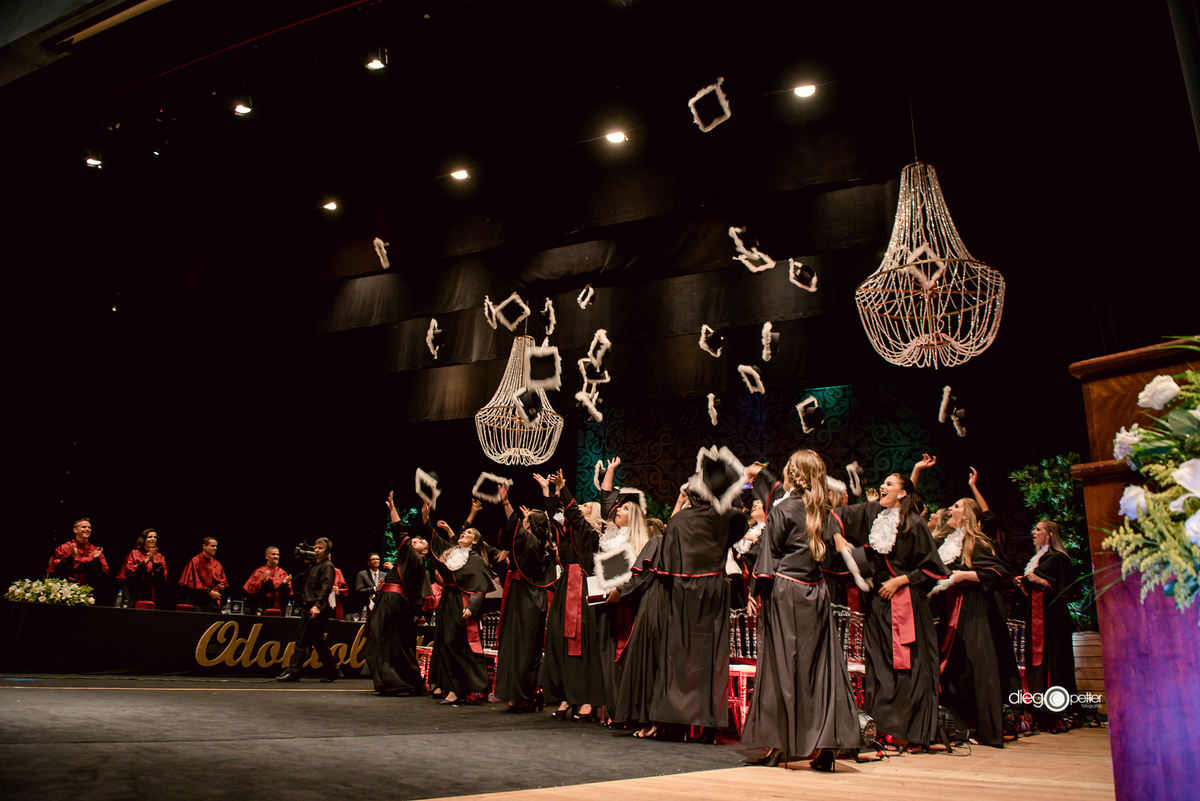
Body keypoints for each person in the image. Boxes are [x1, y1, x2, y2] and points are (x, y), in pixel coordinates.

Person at [741, 449, 861, 770]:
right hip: (817, 593)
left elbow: (767, 559)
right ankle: (824, 746)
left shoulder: (783, 510)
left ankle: (780, 745)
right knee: (822, 668)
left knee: (781, 667)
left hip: (784, 592)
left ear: (792, 475)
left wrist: (756, 591)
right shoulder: (826, 512)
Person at [833, 471, 949, 749]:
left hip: (906, 605)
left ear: (903, 493)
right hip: (878, 605)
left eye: (890, 483)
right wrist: (837, 537)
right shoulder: (876, 520)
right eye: (883, 482)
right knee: (880, 668)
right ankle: (881, 728)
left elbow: (934, 569)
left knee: (908, 667)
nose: (883, 486)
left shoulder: (914, 524)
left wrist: (901, 580)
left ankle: (908, 731)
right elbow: (836, 515)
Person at [648, 461, 748, 741]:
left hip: (682, 593)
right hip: (714, 591)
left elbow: (666, 567)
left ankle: (674, 724)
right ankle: (708, 726)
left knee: (678, 655)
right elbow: (739, 519)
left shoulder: (679, 521)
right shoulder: (725, 518)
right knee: (712, 657)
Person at [931, 484, 1022, 748]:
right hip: (948, 609)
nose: (951, 509)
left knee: (980, 667)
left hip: (973, 608)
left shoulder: (977, 542)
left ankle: (989, 730)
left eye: (957, 506)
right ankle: (960, 726)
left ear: (968, 515)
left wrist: (963, 576)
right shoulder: (944, 542)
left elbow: (998, 573)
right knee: (953, 670)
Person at [540, 470, 607, 721]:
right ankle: (568, 694)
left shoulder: (589, 533)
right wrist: (548, 493)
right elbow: (555, 518)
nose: (580, 506)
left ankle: (586, 698)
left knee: (581, 643)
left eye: (586, 505)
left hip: (583, 587)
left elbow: (574, 517)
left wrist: (563, 489)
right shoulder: (569, 532)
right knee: (560, 641)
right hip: (566, 585)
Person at [493, 478, 556, 712]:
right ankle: (527, 694)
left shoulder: (531, 541)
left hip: (525, 599)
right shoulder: (543, 543)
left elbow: (514, 528)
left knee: (519, 649)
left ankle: (522, 696)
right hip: (529, 598)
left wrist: (506, 502)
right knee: (523, 649)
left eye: (527, 519)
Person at [420, 503, 493, 706]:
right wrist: (425, 519)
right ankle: (449, 686)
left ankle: (459, 688)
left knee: (456, 644)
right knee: (444, 643)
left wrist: (472, 608)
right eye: (464, 532)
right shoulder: (452, 553)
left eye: (468, 533)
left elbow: (480, 587)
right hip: (447, 599)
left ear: (475, 541)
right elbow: (434, 540)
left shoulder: (476, 559)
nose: (464, 534)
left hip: (463, 603)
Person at [366, 492, 434, 696]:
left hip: (393, 601)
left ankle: (397, 682)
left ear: (425, 552)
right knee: (395, 642)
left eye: (420, 543)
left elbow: (400, 533)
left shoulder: (413, 558)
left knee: (384, 639)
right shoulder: (411, 560)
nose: (415, 542)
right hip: (395, 601)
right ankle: (402, 682)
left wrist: (393, 510)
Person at [1022, 519, 1078, 730]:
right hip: (1035, 616)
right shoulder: (1038, 558)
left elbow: (1070, 589)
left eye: (1038, 529)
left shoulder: (1058, 558)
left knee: (1055, 662)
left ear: (1050, 535)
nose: (1033, 532)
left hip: (1052, 619)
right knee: (1038, 662)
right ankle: (1040, 713)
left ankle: (1062, 712)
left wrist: (1044, 582)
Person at [276, 538, 339, 682]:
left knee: (304, 640)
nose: (316, 550)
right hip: (308, 607)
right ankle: (333, 671)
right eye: (316, 547)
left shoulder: (327, 566)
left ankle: (294, 672)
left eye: (320, 548)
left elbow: (326, 588)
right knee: (315, 642)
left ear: (327, 550)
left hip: (317, 608)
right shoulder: (314, 565)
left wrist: (318, 605)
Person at [49, 518, 109, 586]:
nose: (87, 529)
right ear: (75, 530)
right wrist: (71, 557)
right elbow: (56, 571)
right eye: (84, 527)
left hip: (88, 588)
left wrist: (95, 560)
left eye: (89, 527)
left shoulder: (96, 550)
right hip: (66, 587)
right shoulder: (64, 548)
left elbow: (103, 577)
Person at [117, 529, 167, 606]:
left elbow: (162, 578)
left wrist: (154, 562)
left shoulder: (159, 556)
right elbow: (129, 571)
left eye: (155, 537)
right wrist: (147, 560)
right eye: (150, 537)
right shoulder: (134, 553)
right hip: (134, 589)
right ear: (144, 539)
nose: (153, 539)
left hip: (150, 590)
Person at [177, 537, 227, 613]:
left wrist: (222, 587)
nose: (215, 548)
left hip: (211, 603)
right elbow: (193, 583)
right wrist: (209, 592)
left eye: (216, 546)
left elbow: (222, 581)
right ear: (204, 546)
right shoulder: (195, 561)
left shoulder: (216, 563)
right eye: (212, 546)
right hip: (197, 601)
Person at [243, 546, 291, 614]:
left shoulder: (282, 573)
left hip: (277, 606)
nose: (276, 556)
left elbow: (286, 593)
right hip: (261, 605)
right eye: (273, 554)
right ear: (266, 557)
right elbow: (251, 590)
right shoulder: (259, 571)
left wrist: (283, 585)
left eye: (277, 555)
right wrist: (264, 582)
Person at [355, 553, 387, 617]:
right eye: (373, 559)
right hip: (366, 606)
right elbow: (359, 590)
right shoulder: (362, 574)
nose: (376, 561)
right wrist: (375, 588)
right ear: (368, 562)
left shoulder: (384, 575)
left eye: (377, 559)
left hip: (381, 606)